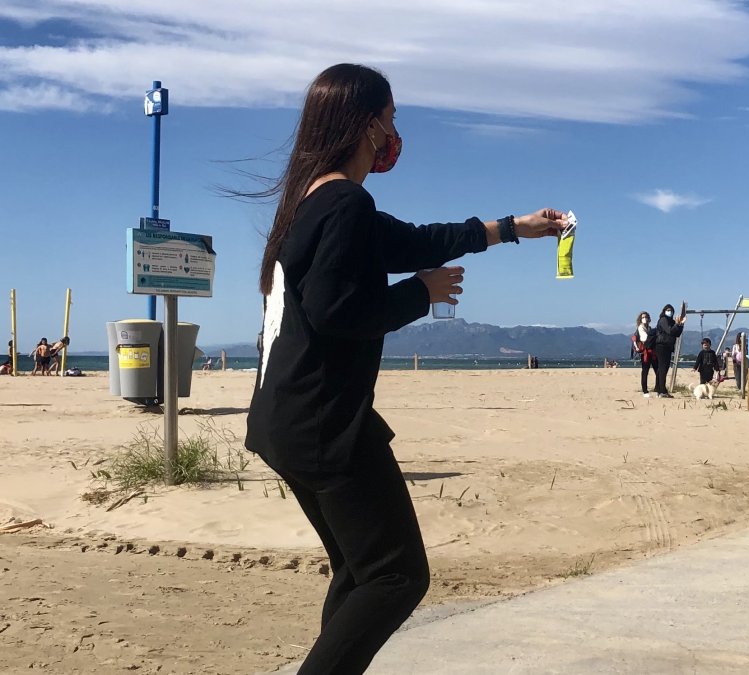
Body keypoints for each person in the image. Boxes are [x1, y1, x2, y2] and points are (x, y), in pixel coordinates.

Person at [243, 63, 567, 675]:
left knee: (358, 572)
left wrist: (511, 229)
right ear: (366, 125)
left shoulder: (312, 200)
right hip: (323, 424)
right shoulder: (345, 202)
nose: (394, 134)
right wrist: (421, 293)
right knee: (396, 576)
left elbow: (419, 239)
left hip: (287, 418)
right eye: (391, 119)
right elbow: (338, 311)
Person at [652, 304, 686, 398]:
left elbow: (677, 334)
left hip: (668, 346)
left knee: (662, 368)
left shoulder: (671, 321)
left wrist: (680, 324)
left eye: (671, 310)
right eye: (668, 310)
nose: (669, 312)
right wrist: (677, 324)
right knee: (663, 368)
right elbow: (670, 331)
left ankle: (659, 389)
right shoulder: (663, 320)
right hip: (661, 345)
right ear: (664, 311)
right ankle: (662, 390)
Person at [632, 310, 657, 398]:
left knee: (657, 370)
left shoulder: (649, 328)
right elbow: (644, 338)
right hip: (645, 352)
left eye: (646, 317)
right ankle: (645, 390)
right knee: (645, 371)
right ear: (640, 319)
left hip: (652, 352)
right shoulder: (640, 328)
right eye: (643, 317)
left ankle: (658, 388)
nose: (645, 319)